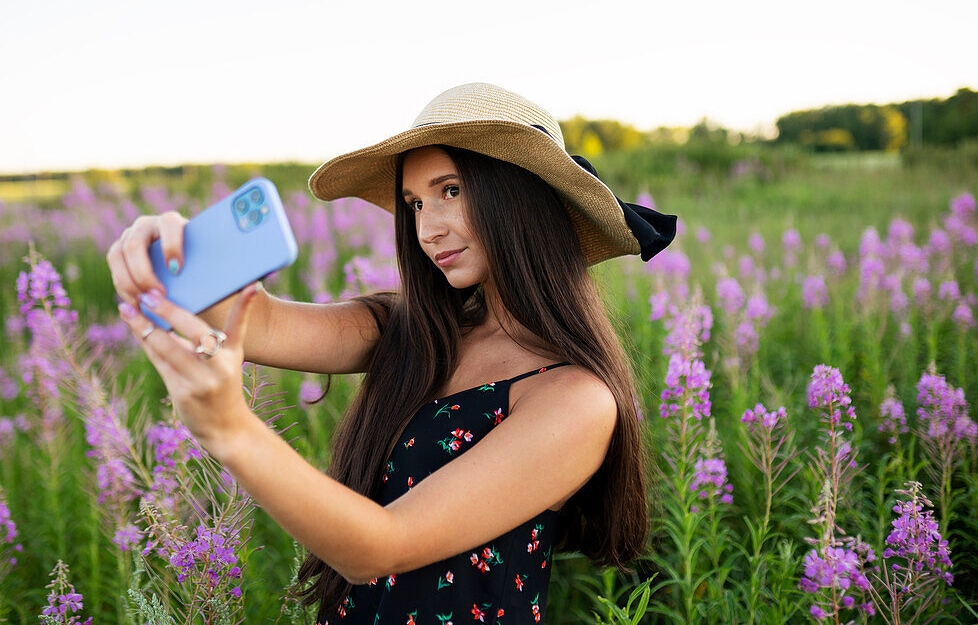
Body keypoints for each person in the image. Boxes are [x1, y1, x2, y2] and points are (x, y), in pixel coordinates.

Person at [107, 82, 677, 623]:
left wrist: (231, 430)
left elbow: (382, 546)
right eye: (414, 204)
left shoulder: (575, 399)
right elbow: (265, 324)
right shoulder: (415, 329)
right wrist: (170, 254)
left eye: (450, 191)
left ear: (519, 198)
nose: (427, 229)